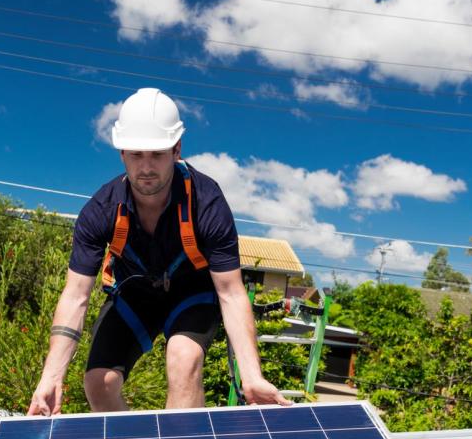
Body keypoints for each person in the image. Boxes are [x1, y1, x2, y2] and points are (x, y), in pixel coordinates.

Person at [28, 88, 290, 415]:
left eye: (157, 154)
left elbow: (232, 293)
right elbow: (75, 295)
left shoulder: (207, 203)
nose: (146, 167)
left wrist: (252, 377)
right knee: (99, 383)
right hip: (134, 295)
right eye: (136, 155)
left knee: (183, 359)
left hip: (191, 294)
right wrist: (51, 378)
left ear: (177, 150)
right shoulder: (101, 209)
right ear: (122, 153)